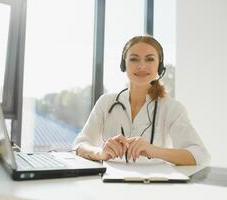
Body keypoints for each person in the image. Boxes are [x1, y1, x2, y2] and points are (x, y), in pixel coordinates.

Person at [73, 35, 210, 166]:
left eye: (150, 59)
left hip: (152, 186)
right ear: (123, 64)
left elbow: (200, 155)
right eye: (134, 59)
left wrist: (154, 150)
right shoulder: (106, 102)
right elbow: (79, 144)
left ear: (159, 66)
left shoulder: (172, 108)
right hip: (108, 183)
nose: (141, 66)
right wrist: (100, 152)